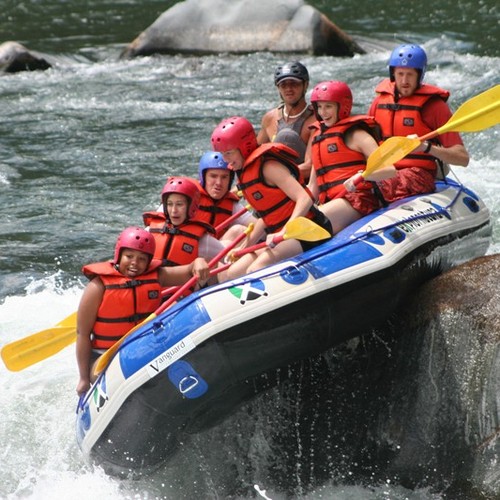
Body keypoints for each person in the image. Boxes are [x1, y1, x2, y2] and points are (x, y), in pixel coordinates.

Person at [76, 226, 209, 396]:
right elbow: (82, 334)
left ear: (148, 261)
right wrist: (83, 378)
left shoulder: (155, 276)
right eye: (129, 256)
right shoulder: (98, 286)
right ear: (119, 255)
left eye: (141, 259)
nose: (134, 263)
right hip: (105, 357)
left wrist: (198, 261)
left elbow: (189, 272)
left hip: (145, 348)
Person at [211, 116, 332, 280]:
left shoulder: (268, 167)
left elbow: (304, 198)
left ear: (244, 147)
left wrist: (285, 231)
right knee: (233, 272)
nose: (226, 161)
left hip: (306, 230)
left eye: (229, 153)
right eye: (222, 154)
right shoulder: (246, 171)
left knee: (255, 270)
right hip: (279, 236)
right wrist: (244, 246)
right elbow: (267, 216)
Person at [368, 43, 469, 202]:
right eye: (400, 74)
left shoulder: (435, 106)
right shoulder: (379, 102)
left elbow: (462, 158)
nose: (404, 80)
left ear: (420, 75)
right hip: (384, 171)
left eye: (410, 75)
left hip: (419, 173)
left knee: (379, 187)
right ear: (393, 74)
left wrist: (426, 147)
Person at [307, 80, 397, 234]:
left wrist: (363, 176)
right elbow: (312, 187)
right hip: (331, 202)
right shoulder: (318, 139)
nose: (323, 112)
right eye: (320, 107)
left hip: (359, 199)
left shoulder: (357, 135)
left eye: (328, 106)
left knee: (313, 224)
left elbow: (390, 170)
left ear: (342, 107)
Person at [143, 176, 226, 265]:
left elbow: (227, 259)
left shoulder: (203, 241)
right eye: (170, 204)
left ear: (191, 206)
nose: (174, 210)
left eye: (179, 204)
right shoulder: (149, 232)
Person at [257, 61, 316, 180]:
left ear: (305, 85)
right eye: (283, 85)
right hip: (276, 183)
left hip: (302, 184)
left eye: (294, 84)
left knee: (287, 136)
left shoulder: (315, 119)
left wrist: (274, 177)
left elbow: (310, 167)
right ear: (278, 88)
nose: (288, 89)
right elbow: (254, 155)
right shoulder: (270, 118)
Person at [196, 151, 256, 240]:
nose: (219, 183)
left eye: (224, 177)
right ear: (203, 177)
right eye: (213, 176)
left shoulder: (232, 205)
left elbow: (257, 224)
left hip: (216, 250)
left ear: (230, 180)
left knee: (239, 230)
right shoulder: (188, 199)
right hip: (190, 249)